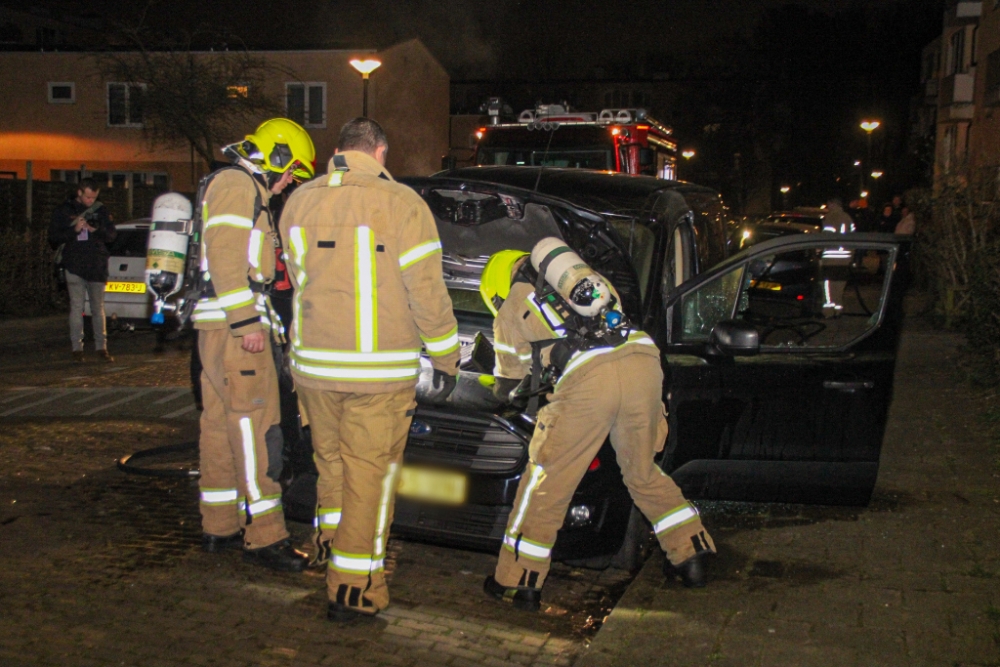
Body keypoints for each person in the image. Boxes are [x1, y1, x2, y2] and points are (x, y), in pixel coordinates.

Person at [279, 118, 461, 622]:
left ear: (338, 151)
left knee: (332, 467)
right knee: (369, 479)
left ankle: (330, 548)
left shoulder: (297, 203)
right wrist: (446, 358)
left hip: (314, 369)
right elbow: (426, 292)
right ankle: (354, 588)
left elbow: (299, 280)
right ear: (381, 152)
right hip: (377, 375)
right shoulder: (402, 203)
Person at [478, 244, 716, 612]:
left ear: (496, 285)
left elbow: (510, 380)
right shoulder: (592, 284)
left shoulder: (513, 303)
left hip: (589, 381)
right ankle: (691, 554)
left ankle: (517, 581)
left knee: (546, 484)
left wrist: (504, 390)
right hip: (643, 363)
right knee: (642, 472)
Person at [192, 117, 316, 572]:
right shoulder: (237, 186)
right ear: (276, 156)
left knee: (220, 426)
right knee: (256, 428)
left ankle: (219, 525)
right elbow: (226, 258)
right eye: (291, 173)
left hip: (219, 327)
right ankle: (265, 537)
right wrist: (247, 324)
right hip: (234, 330)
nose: (288, 184)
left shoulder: (235, 187)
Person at [49, 178, 117, 362]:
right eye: (87, 197)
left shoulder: (101, 210)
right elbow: (53, 238)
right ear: (79, 192)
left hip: (96, 265)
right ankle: (77, 349)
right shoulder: (64, 210)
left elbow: (111, 235)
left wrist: (96, 230)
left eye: (93, 198)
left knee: (98, 308)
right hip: (74, 265)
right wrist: (74, 230)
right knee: (77, 307)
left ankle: (101, 348)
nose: (90, 201)